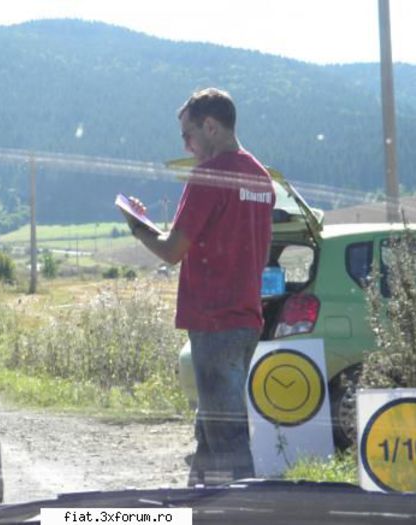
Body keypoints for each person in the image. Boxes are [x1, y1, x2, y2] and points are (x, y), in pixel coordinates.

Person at [121, 88, 274, 484]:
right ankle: (199, 505)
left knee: (228, 441)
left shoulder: (210, 175)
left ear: (211, 126)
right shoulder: (261, 177)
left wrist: (139, 229)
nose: (187, 145)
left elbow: (173, 250)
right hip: (246, 319)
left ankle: (244, 511)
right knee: (210, 431)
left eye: (188, 135)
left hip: (214, 320)